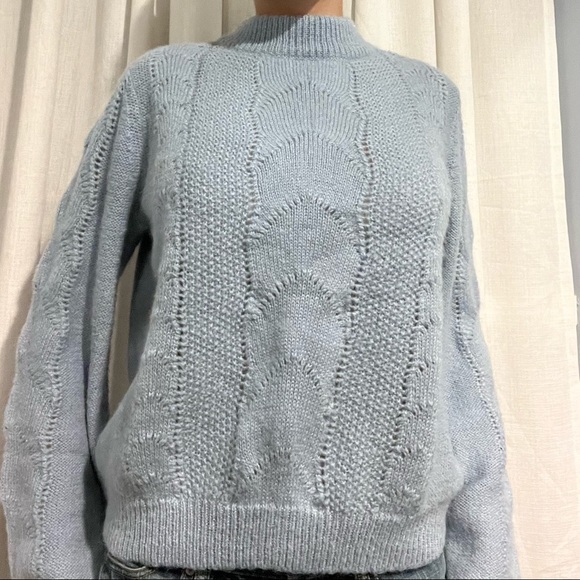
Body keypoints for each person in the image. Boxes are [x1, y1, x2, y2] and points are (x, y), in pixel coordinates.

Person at [0, 0, 520, 579]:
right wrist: (51, 563)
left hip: (399, 563)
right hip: (170, 560)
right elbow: (63, 327)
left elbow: (457, 348)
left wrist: (487, 562)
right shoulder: (162, 85)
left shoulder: (428, 100)